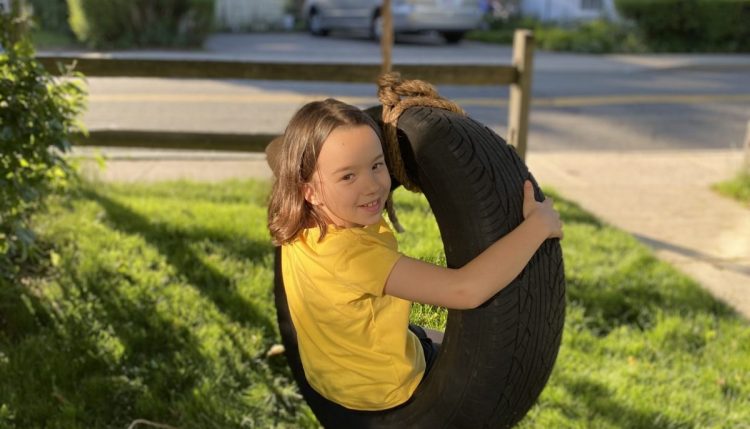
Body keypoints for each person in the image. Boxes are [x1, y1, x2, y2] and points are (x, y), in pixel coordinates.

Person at [267, 98, 562, 412]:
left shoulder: (299, 222)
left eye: (377, 165)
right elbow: (465, 289)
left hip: (334, 377)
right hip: (385, 392)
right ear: (308, 189)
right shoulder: (355, 257)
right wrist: (537, 227)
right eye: (348, 176)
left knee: (426, 336)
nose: (371, 186)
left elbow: (275, 150)